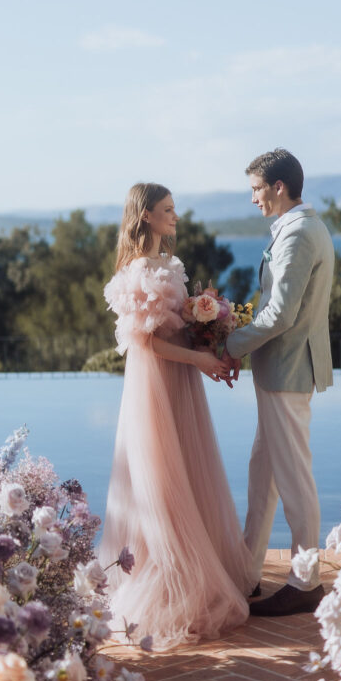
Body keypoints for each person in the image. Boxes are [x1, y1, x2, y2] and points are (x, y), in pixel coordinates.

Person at [98, 182, 255, 649]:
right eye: (167, 210)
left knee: (190, 467)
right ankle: (164, 574)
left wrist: (212, 338)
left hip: (183, 380)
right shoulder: (139, 270)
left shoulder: (170, 264)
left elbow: (180, 330)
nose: (176, 217)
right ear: (145, 215)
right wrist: (199, 360)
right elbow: (146, 344)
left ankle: (197, 564)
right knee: (162, 476)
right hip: (158, 385)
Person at [223, 149, 335, 616]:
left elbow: (280, 314)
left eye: (256, 189)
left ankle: (306, 581)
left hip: (288, 370)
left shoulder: (299, 235)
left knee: (294, 481)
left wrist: (229, 345)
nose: (253, 198)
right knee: (262, 476)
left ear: (279, 187)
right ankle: (247, 572)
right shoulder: (302, 228)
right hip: (280, 371)